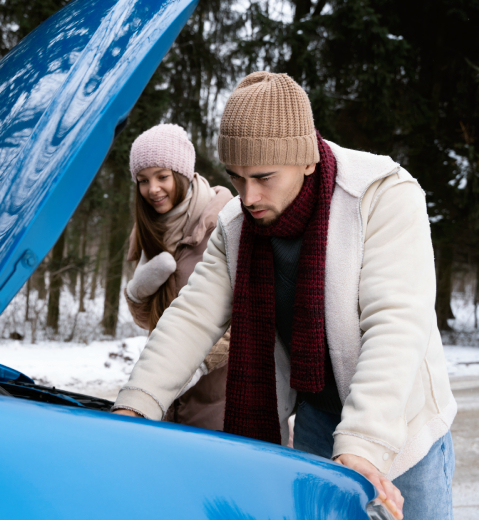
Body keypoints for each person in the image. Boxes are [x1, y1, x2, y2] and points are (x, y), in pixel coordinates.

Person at [112, 73, 456, 520]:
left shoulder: (382, 196)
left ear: (306, 160)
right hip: (317, 420)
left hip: (400, 428)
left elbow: (395, 324)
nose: (248, 197)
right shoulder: (236, 225)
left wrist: (364, 447)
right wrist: (136, 404)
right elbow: (191, 318)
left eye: (263, 177)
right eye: (236, 178)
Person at [123, 123, 233, 431]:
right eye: (143, 180)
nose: (152, 189)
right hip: (165, 398)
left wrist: (191, 363)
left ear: (182, 174)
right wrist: (137, 294)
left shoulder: (223, 227)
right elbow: (148, 322)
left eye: (162, 176)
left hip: (215, 400)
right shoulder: (147, 232)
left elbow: (242, 320)